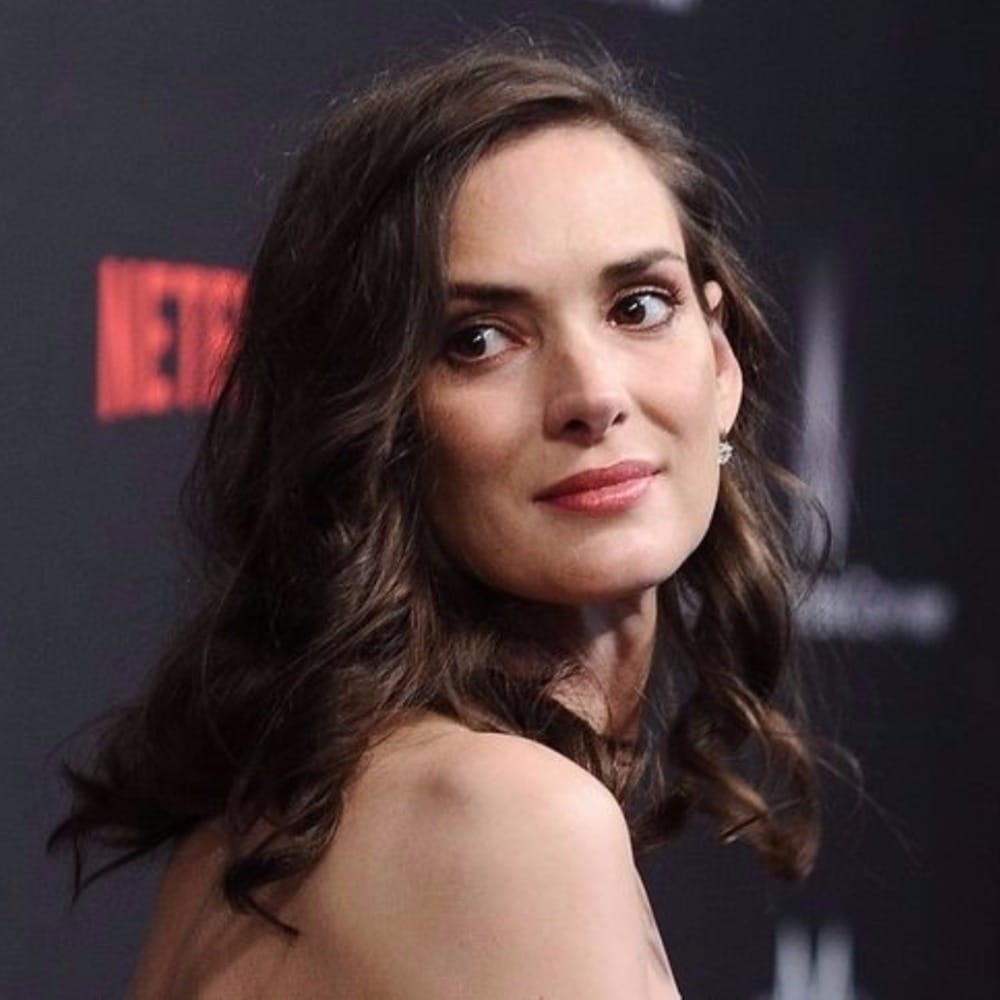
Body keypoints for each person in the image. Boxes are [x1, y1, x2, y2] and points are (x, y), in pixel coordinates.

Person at [51, 38, 824, 999]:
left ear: (722, 360)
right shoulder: (510, 822)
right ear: (374, 420)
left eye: (638, 306)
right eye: (480, 339)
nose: (592, 395)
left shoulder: (266, 828)